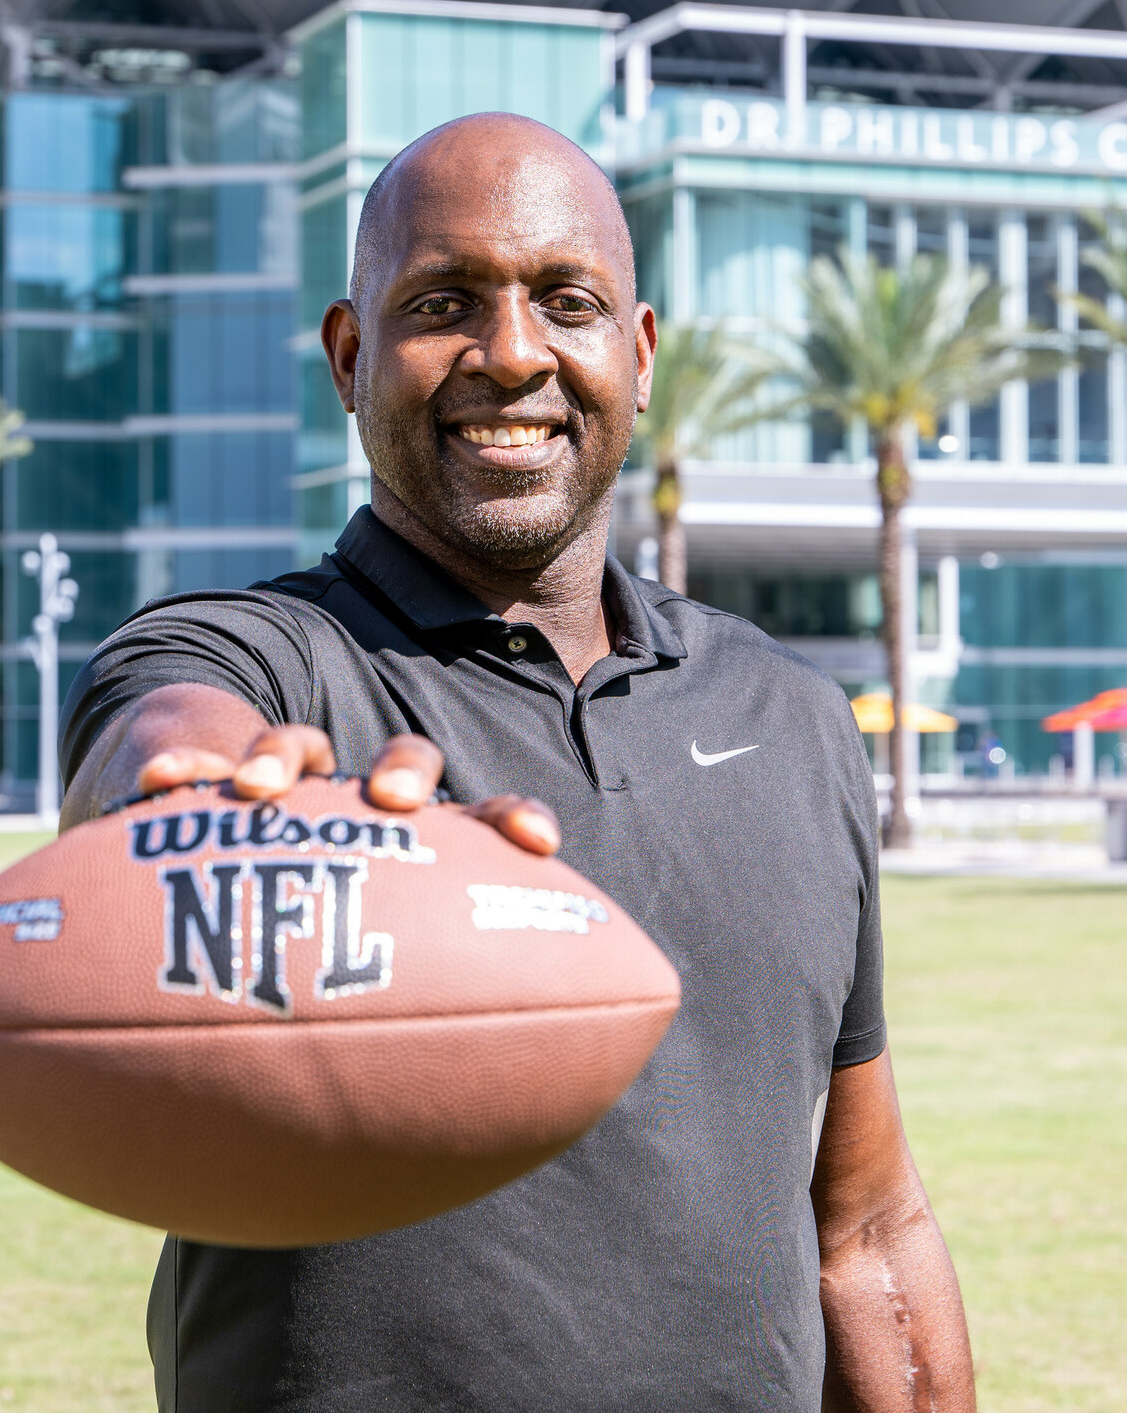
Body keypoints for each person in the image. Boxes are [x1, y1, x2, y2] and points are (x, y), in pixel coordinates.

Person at [59, 112, 973, 1412]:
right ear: (348, 354)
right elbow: (160, 724)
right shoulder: (274, 658)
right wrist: (196, 798)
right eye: (443, 301)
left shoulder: (792, 718)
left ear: (638, 352)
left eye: (565, 299)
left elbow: (868, 1226)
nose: (512, 352)